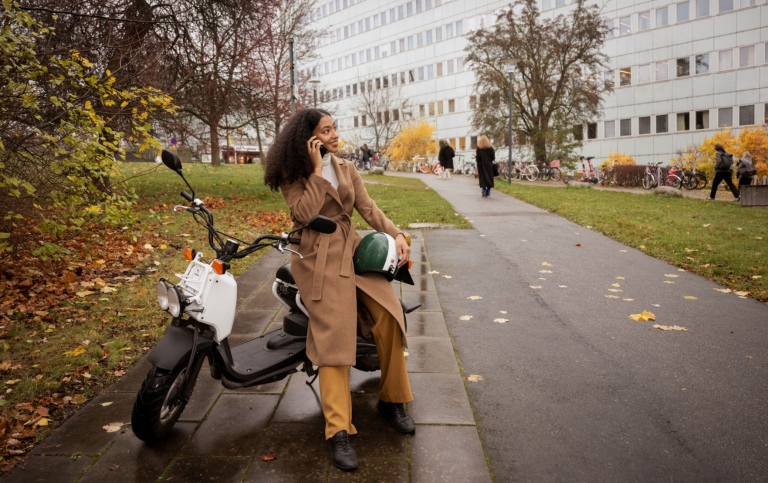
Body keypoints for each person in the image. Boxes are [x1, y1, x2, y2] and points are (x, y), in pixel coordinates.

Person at [264, 109, 414, 472]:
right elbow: (302, 213)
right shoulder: (294, 175)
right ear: (309, 140)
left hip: (352, 249)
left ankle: (393, 400)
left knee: (390, 314)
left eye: (334, 128)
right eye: (325, 131)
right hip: (317, 256)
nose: (334, 135)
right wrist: (316, 172)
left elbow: (367, 208)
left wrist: (396, 233)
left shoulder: (347, 168)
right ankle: (337, 431)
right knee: (333, 335)